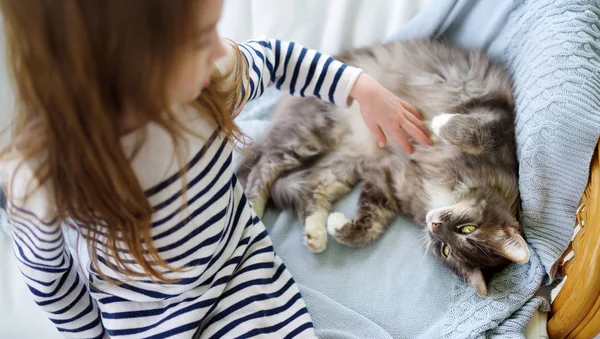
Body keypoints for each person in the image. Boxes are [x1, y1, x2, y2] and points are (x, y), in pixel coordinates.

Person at [0, 0, 431, 338]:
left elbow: (275, 59)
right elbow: (52, 283)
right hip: (143, 317)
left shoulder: (212, 78)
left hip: (235, 267)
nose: (220, 48)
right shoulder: (42, 180)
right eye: (199, 38)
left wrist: (360, 85)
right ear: (123, 65)